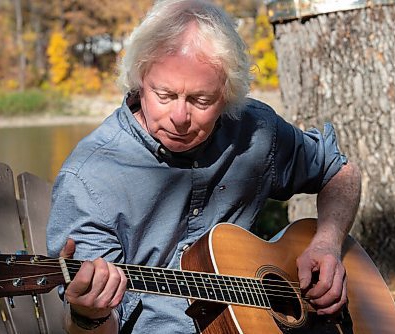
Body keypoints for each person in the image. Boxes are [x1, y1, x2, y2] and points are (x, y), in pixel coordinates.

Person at [46, 0, 361, 333]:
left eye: (201, 100)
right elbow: (97, 328)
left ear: (227, 95)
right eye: (164, 95)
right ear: (139, 80)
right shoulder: (88, 179)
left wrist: (327, 243)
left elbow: (340, 172)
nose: (180, 118)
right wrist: (87, 314)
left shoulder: (255, 130)